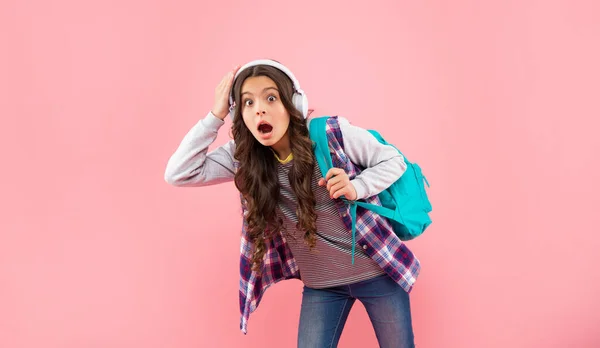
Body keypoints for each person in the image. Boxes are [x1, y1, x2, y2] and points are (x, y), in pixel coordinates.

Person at [164, 59, 420, 347]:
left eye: (270, 98)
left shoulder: (331, 134)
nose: (259, 108)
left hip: (377, 272)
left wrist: (356, 186)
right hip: (321, 287)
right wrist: (214, 116)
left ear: (292, 103)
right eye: (247, 103)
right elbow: (178, 173)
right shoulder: (244, 157)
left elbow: (393, 159)